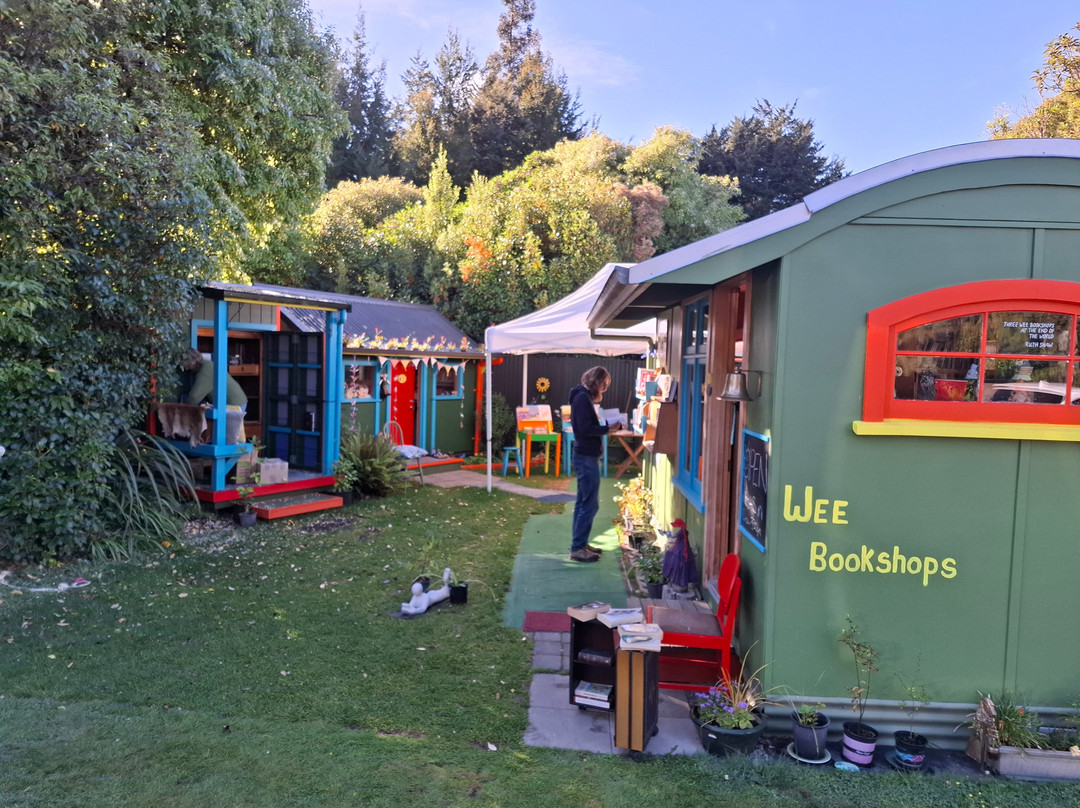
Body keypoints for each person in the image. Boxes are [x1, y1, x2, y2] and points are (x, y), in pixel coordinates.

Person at [567, 366, 620, 562]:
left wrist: (605, 428)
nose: (605, 389)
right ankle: (577, 547)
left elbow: (585, 427)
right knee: (589, 504)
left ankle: (580, 544)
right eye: (604, 385)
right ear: (596, 382)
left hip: (585, 455)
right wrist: (606, 429)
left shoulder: (582, 396)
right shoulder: (582, 398)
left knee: (584, 502)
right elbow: (584, 429)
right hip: (586, 456)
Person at [183, 349, 248, 443]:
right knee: (228, 436)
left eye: (186, 363)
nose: (185, 367)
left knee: (229, 438)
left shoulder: (205, 371)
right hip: (236, 401)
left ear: (193, 360)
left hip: (233, 403)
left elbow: (194, 397)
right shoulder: (207, 365)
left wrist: (183, 412)